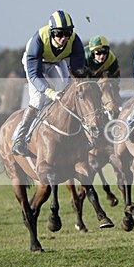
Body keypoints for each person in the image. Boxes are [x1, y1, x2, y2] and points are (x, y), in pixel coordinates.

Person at [12, 10, 87, 157]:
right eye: (59, 34)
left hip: (57, 62)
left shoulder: (75, 41)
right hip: (36, 65)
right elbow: (34, 75)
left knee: (68, 94)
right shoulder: (38, 40)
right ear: (52, 32)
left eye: (67, 33)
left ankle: (81, 135)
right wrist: (50, 92)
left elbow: (78, 72)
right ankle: (19, 140)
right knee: (38, 99)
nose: (64, 38)